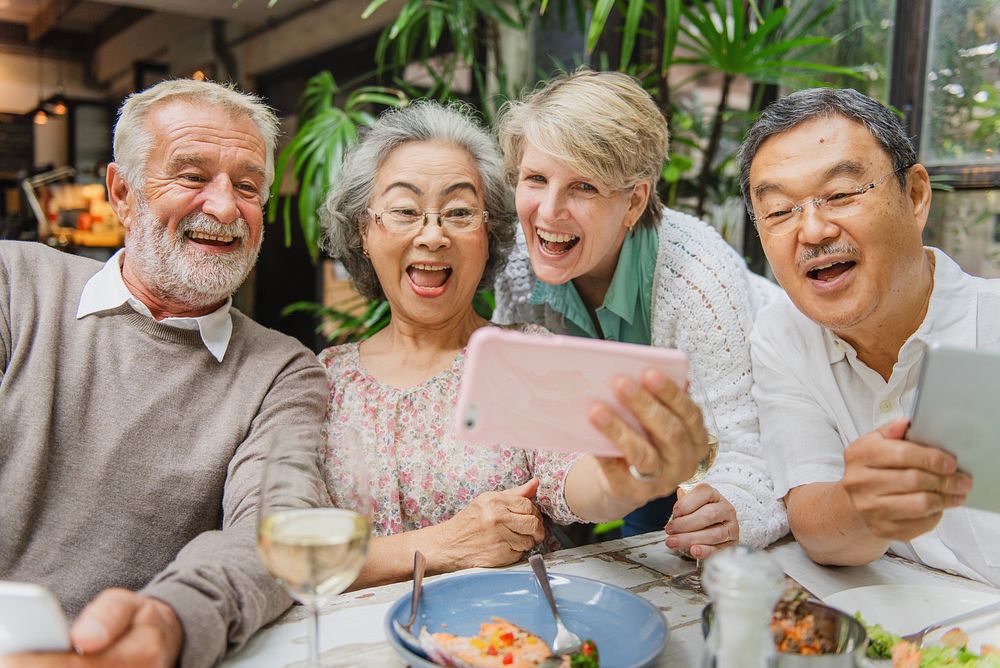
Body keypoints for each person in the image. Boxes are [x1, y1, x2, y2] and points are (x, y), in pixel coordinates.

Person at [0, 79, 329, 666]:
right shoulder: (13, 286)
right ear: (122, 193)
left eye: (248, 186)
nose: (225, 207)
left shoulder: (282, 371)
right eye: (193, 176)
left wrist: (171, 620)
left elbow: (277, 529)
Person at [319, 100, 709, 588]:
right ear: (364, 229)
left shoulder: (525, 358)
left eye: (460, 212)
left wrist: (626, 478)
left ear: (489, 233)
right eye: (404, 211)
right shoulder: (321, 381)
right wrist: (444, 544)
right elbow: (290, 555)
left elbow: (576, 479)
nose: (433, 235)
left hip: (508, 641)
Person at [493, 69, 787, 553]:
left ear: (634, 202)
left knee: (679, 544)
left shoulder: (700, 281)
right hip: (627, 457)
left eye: (583, 186)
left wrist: (729, 510)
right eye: (536, 179)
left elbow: (746, 447)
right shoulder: (518, 267)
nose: (548, 211)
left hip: (743, 439)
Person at [742, 87, 1000, 587]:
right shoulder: (784, 335)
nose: (813, 230)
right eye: (779, 211)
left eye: (839, 195)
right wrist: (862, 505)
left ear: (916, 196)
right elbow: (816, 521)